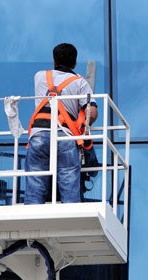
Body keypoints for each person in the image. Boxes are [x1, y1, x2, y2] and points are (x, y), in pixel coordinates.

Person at [24, 43, 98, 204]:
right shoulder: (80, 82)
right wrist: (82, 125)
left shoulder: (39, 77)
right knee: (69, 186)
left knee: (34, 188)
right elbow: (91, 113)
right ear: (75, 63)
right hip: (64, 137)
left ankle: (31, 221)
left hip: (38, 136)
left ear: (54, 61)